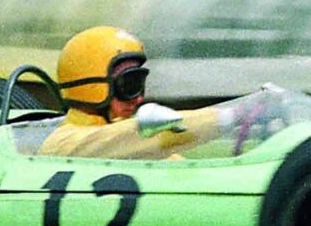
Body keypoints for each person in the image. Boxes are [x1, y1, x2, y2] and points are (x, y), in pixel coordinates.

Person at [37, 25, 280, 160]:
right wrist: (231, 116)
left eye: (139, 84)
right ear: (92, 86)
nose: (139, 98)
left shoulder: (133, 141)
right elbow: (127, 137)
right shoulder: (63, 144)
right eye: (129, 85)